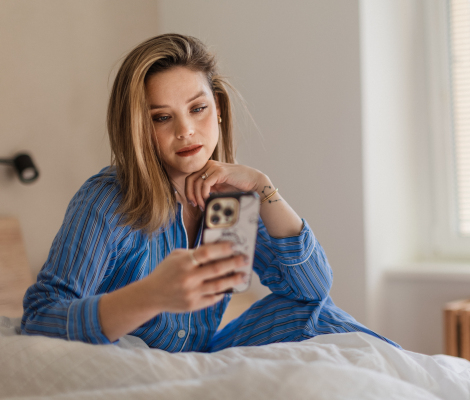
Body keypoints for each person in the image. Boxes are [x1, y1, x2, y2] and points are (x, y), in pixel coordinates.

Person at [21, 33, 399, 352]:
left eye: (198, 108)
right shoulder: (107, 200)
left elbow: (312, 289)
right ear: (138, 127)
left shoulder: (230, 198)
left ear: (217, 108)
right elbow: (40, 319)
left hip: (199, 356)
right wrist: (152, 295)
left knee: (316, 316)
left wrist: (263, 188)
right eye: (162, 117)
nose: (185, 130)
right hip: (126, 362)